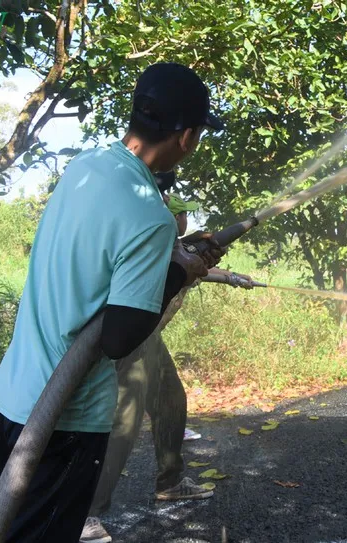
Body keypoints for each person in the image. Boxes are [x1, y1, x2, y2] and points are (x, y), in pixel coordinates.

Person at [0, 62, 225, 543]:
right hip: (64, 417)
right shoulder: (151, 216)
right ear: (188, 136)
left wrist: (171, 260)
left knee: (5, 531)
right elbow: (117, 338)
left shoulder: (88, 167)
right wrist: (179, 273)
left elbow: (98, 261)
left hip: (11, 395)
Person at [80, 189, 255, 543]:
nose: (185, 220)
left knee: (173, 403)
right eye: (180, 214)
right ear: (167, 217)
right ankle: (86, 515)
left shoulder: (177, 247)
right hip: (128, 341)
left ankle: (171, 482)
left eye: (186, 215)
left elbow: (198, 267)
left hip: (150, 341)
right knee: (123, 424)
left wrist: (233, 276)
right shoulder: (152, 245)